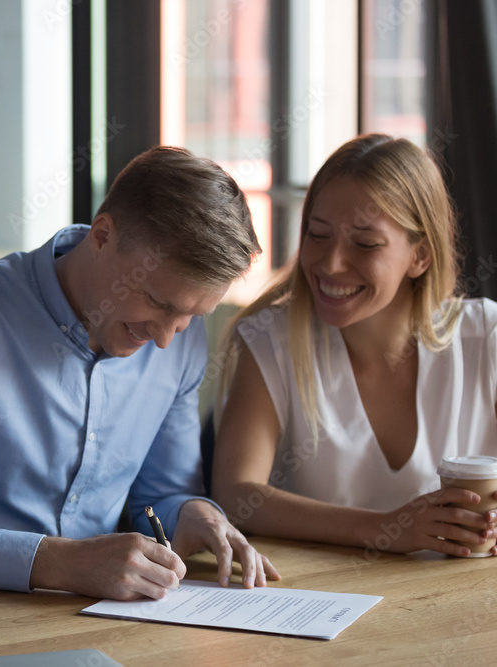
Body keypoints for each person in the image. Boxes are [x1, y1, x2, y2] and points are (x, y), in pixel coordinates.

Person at [0, 146, 280, 602]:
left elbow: (159, 496)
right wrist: (57, 563)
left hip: (89, 617)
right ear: (103, 235)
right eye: (158, 303)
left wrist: (193, 514)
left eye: (190, 315)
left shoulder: (182, 340)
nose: (166, 339)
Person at [212, 133, 497, 557]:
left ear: (420, 256)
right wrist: (388, 529)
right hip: (319, 596)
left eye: (365, 243)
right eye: (318, 234)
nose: (330, 263)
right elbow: (237, 494)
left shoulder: (486, 337)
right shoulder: (270, 339)